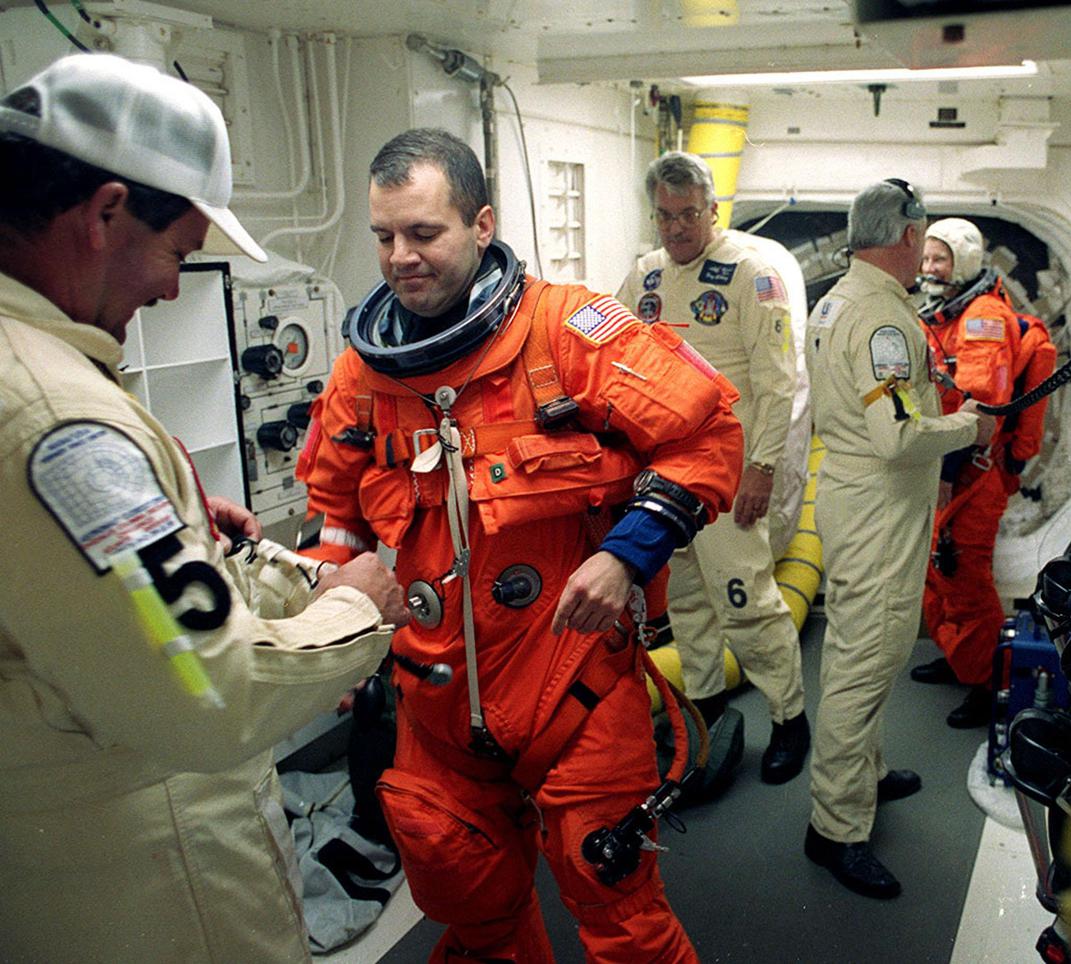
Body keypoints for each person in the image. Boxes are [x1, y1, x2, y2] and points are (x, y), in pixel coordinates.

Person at [297, 128, 743, 962]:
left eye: (424, 233)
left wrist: (626, 554)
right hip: (437, 699)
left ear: (482, 224)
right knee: (468, 904)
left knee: (623, 918)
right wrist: (331, 610)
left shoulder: (568, 334)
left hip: (570, 684)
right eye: (385, 236)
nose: (401, 257)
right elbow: (335, 508)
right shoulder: (366, 372)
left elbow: (708, 432)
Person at [0, 54, 408, 962]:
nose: (173, 289)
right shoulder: (57, 418)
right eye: (179, 252)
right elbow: (207, 689)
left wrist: (177, 530)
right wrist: (356, 609)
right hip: (150, 880)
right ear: (106, 212)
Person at [804, 181, 995, 898]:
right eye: (923, 238)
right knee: (864, 660)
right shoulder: (884, 321)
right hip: (879, 510)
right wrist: (969, 428)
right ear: (909, 235)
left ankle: (868, 774)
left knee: (868, 651)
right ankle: (835, 827)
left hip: (857, 502)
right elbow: (898, 435)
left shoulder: (835, 299)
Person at [617, 151, 809, 785]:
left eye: (688, 215)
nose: (676, 229)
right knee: (690, 600)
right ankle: (702, 709)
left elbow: (780, 383)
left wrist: (762, 470)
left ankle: (789, 717)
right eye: (665, 217)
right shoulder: (644, 277)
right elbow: (611, 357)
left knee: (746, 601)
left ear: (712, 211)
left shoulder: (752, 274)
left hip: (726, 472)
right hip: (664, 472)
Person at [912, 218, 1023, 728]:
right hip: (944, 462)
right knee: (937, 571)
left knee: (965, 577)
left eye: (942, 260)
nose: (931, 270)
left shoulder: (984, 318)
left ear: (967, 264)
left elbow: (980, 409)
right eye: (927, 259)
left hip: (972, 469)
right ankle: (961, 659)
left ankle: (989, 682)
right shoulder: (941, 314)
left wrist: (946, 474)